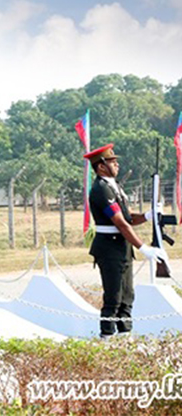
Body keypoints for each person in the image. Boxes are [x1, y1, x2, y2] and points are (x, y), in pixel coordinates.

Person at [86, 144, 168, 338]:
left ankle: (125, 336)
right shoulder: (101, 189)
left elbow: (129, 217)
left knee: (127, 297)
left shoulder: (114, 187)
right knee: (113, 298)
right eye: (113, 162)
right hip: (109, 248)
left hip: (122, 248)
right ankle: (107, 337)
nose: (118, 165)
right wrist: (144, 248)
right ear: (101, 167)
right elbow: (121, 224)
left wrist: (148, 215)